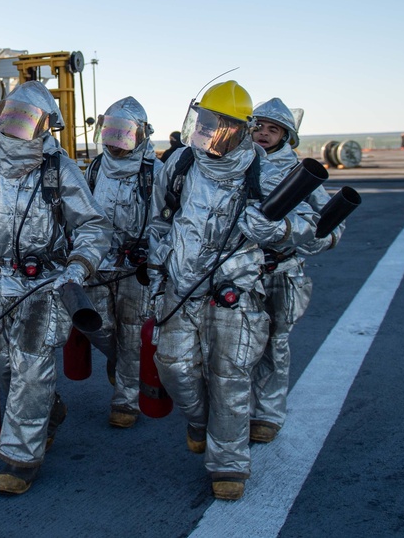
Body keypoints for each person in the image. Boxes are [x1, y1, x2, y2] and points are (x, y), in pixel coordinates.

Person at [147, 81, 314, 501]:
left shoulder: (269, 171)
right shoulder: (182, 163)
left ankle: (229, 464)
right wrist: (155, 273)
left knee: (230, 379)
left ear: (241, 129)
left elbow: (327, 228)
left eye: (218, 126)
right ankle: (200, 420)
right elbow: (159, 222)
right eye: (203, 123)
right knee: (173, 367)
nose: (208, 134)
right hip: (180, 289)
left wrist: (281, 228)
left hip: (234, 295)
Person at [0, 81, 109, 495]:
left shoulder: (59, 169)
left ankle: (20, 459)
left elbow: (94, 226)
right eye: (11, 118)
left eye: (27, 120)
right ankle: (49, 411)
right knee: (0, 367)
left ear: (45, 127)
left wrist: (76, 269)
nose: (16, 127)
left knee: (30, 371)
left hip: (44, 286)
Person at [249, 99, 341, 444]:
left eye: (273, 129)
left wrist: (293, 233)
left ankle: (268, 414)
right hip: (235, 273)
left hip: (280, 273)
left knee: (274, 344)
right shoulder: (235, 164)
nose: (264, 134)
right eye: (259, 126)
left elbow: (330, 227)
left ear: (286, 136)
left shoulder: (300, 176)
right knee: (232, 349)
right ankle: (235, 412)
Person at [83, 97, 156, 428]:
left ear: (140, 135)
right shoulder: (95, 168)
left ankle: (126, 399)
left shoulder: (157, 173)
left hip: (135, 269)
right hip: (98, 264)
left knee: (131, 332)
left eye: (124, 134)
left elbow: (169, 223)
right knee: (99, 327)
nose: (116, 141)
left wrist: (154, 255)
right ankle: (121, 363)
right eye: (111, 132)